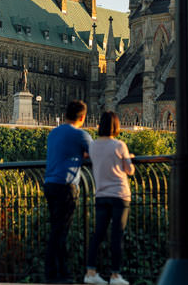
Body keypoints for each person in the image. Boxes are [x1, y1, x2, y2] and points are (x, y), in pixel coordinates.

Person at [83, 112, 135, 285]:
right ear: (116, 126)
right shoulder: (119, 145)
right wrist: (130, 159)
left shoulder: (93, 146)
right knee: (116, 236)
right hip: (120, 195)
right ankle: (115, 275)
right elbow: (129, 170)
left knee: (98, 234)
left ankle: (90, 272)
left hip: (101, 195)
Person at [44, 100, 93, 283]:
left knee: (57, 230)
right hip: (66, 185)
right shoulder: (81, 135)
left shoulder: (53, 133)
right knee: (61, 231)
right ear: (82, 117)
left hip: (50, 183)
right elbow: (95, 154)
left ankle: (58, 272)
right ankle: (57, 274)